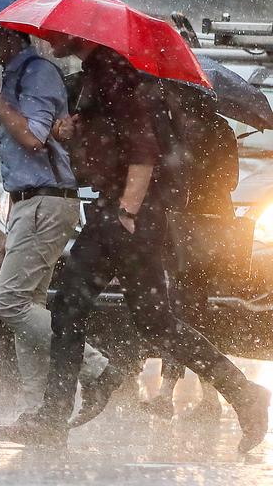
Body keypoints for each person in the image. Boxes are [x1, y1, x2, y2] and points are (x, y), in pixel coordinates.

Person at [0, 36, 270, 452]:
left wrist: (128, 212)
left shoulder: (118, 76)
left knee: (141, 319)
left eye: (57, 32)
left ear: (80, 35)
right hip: (112, 209)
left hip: (127, 214)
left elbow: (143, 150)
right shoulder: (96, 76)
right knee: (86, 311)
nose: (49, 37)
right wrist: (71, 134)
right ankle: (56, 414)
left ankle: (244, 394)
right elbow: (110, 149)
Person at [0, 20, 115, 416]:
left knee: (9, 303)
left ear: (10, 36)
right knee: (27, 303)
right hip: (27, 201)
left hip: (45, 201)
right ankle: (37, 410)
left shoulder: (36, 74)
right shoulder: (20, 76)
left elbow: (33, 137)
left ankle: (98, 369)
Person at [142, 93, 236, 421]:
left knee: (183, 309)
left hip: (190, 227)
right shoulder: (220, 129)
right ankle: (211, 395)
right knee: (196, 309)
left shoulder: (180, 132)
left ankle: (174, 392)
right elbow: (232, 180)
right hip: (211, 228)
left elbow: (171, 178)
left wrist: (191, 170)